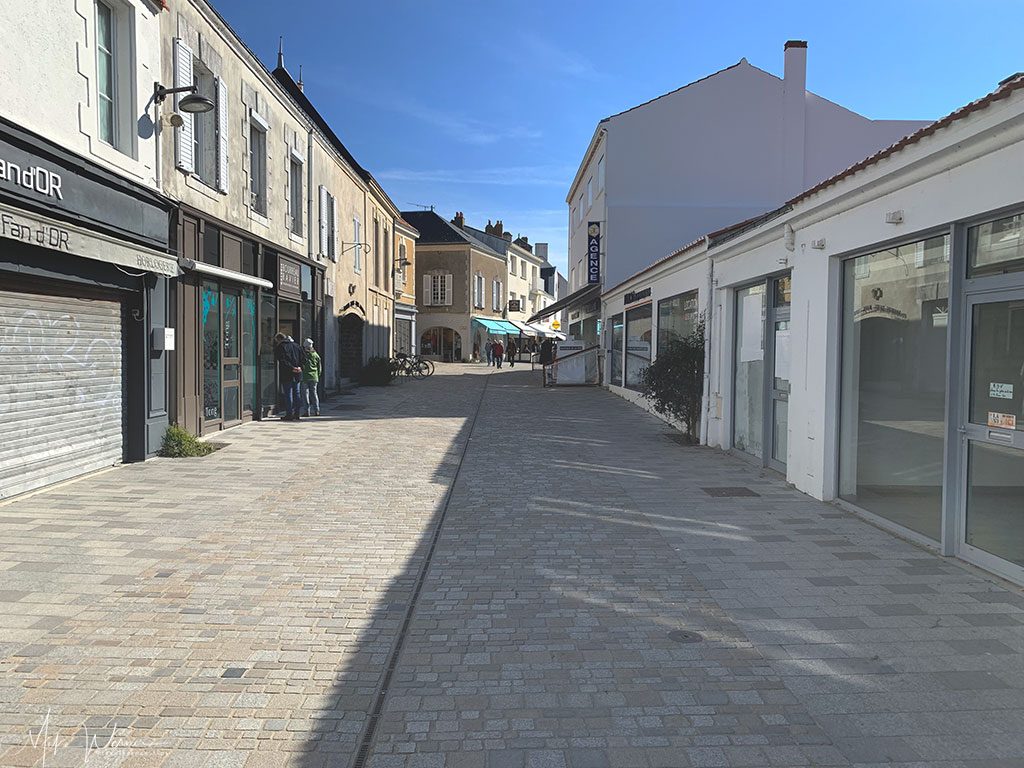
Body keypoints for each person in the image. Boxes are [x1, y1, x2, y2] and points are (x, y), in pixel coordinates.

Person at [274, 332, 304, 420]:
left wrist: (291, 368)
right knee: (297, 393)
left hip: (286, 374)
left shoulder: (281, 347)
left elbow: (282, 360)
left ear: (279, 339)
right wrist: (300, 367)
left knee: (288, 394)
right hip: (297, 373)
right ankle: (297, 413)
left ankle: (289, 414)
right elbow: (304, 358)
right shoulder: (297, 346)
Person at [301, 338, 322, 417]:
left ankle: (306, 411)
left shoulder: (304, 355)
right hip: (314, 377)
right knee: (314, 394)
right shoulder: (316, 355)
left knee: (305, 394)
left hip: (305, 376)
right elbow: (319, 367)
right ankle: (317, 410)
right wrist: (317, 375)